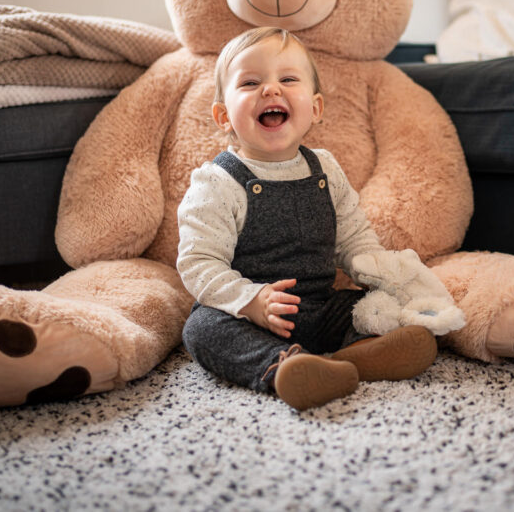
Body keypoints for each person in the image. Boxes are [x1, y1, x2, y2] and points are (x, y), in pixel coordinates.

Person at [178, 27, 453, 411]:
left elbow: (354, 236)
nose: (270, 90)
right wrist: (251, 300)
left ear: (316, 108)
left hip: (321, 307)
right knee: (201, 329)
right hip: (252, 318)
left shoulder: (325, 168)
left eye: (287, 79)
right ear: (223, 115)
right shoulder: (217, 182)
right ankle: (284, 368)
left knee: (375, 305)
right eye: (251, 82)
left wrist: (380, 274)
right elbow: (198, 262)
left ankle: (356, 357)